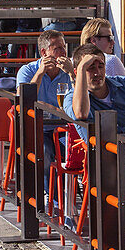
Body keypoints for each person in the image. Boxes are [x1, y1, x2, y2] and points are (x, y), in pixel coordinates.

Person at [16, 31, 73, 177]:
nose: (63, 52)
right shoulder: (28, 70)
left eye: (64, 47)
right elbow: (23, 99)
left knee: (77, 152)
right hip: (37, 127)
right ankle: (50, 196)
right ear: (44, 52)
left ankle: (68, 193)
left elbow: (85, 95)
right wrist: (40, 73)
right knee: (45, 153)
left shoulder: (70, 70)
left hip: (64, 127)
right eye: (57, 48)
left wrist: (73, 73)